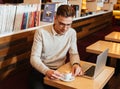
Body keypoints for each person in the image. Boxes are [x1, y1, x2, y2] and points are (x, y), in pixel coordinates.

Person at [30, 5, 83, 89]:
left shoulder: (72, 33)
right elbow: (34, 58)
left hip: (60, 70)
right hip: (41, 70)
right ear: (55, 18)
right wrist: (46, 71)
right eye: (61, 24)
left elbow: (74, 53)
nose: (65, 28)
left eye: (68, 24)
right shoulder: (41, 32)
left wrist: (76, 64)